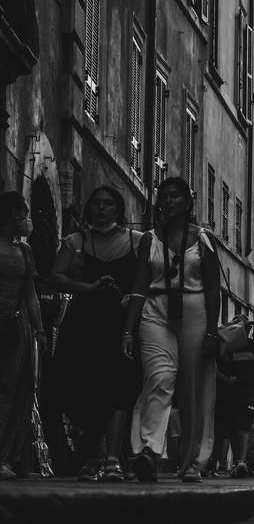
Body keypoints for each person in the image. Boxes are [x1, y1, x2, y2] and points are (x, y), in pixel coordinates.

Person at [122, 177, 222, 483]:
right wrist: (128, 330)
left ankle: (194, 461)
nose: (168, 201)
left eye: (175, 196)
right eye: (164, 196)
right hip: (156, 310)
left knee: (194, 389)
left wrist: (212, 332)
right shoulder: (149, 240)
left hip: (195, 312)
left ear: (188, 202)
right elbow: (139, 287)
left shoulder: (203, 239)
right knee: (159, 378)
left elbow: (214, 290)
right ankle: (149, 451)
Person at [47, 186, 143, 482]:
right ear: (89, 209)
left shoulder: (136, 242)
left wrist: (131, 300)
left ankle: (112, 459)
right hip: (84, 325)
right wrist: (88, 288)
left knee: (118, 391)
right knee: (83, 390)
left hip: (119, 326)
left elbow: (147, 281)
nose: (101, 209)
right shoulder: (75, 241)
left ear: (118, 209)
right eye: (96, 203)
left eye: (108, 203)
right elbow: (55, 277)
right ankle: (93, 456)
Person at [0, 193, 46, 480]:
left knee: (18, 390)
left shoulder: (25, 251)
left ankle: (9, 455)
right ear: (14, 214)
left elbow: (31, 294)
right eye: (25, 213)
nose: (29, 220)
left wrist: (40, 330)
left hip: (19, 330)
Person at [219, 317, 254, 478]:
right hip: (229, 393)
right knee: (232, 429)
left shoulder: (252, 346)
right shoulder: (227, 345)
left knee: (245, 427)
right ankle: (232, 463)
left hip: (248, 392)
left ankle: (241, 462)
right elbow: (215, 367)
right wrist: (226, 380)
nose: (247, 330)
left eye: (248, 327)